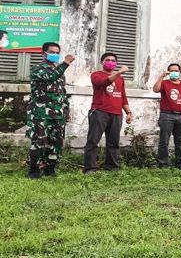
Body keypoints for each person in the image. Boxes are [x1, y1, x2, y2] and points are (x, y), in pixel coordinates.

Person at [25, 42, 75, 178]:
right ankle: (34, 170)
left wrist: (66, 111)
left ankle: (50, 169)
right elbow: (51, 77)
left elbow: (62, 94)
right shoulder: (38, 69)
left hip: (58, 114)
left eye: (57, 52)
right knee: (39, 142)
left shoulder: (59, 72)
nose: (55, 55)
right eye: (52, 52)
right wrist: (65, 63)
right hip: (41, 114)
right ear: (43, 53)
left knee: (56, 142)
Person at [83, 52, 132, 174]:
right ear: (102, 62)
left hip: (116, 113)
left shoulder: (120, 79)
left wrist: (128, 112)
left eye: (113, 60)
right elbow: (103, 83)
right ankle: (90, 168)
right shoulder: (96, 75)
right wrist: (119, 72)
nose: (111, 62)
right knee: (93, 141)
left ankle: (111, 166)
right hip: (99, 112)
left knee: (113, 142)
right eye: (108, 60)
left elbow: (123, 97)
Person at [153, 63, 181, 169]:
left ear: (180, 72)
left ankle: (180, 163)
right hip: (166, 115)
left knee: (179, 141)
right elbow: (155, 89)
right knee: (164, 140)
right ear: (168, 72)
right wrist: (161, 76)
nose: (174, 72)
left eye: (176, 70)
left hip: (180, 116)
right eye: (171, 71)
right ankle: (162, 163)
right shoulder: (165, 83)